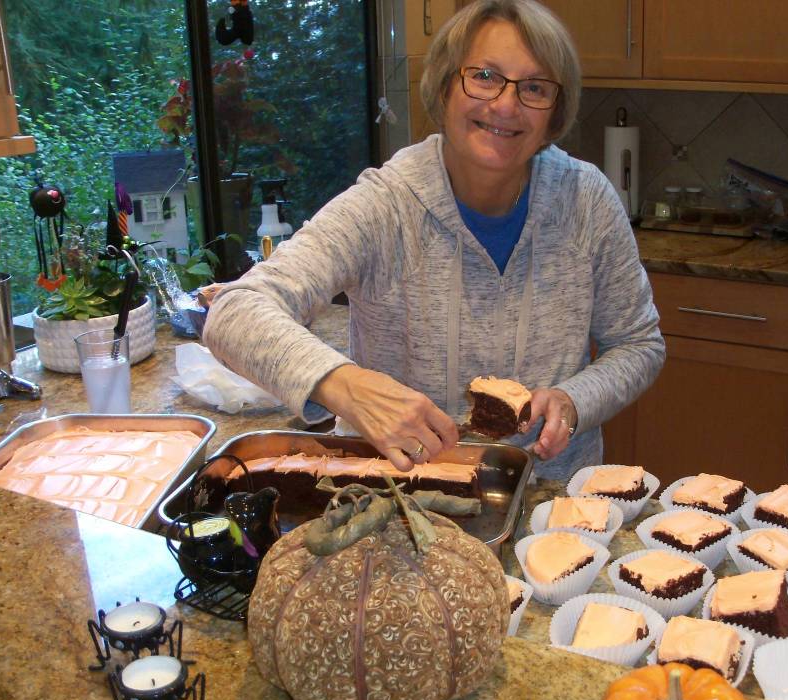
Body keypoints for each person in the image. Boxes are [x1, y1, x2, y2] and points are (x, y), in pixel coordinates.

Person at [203, 0, 665, 480]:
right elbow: (236, 311)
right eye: (483, 76)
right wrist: (347, 386)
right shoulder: (386, 205)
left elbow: (638, 344)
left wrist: (575, 400)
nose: (506, 105)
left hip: (551, 505)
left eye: (533, 87)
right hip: (399, 495)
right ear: (445, 87)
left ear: (554, 111)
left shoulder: (586, 201)